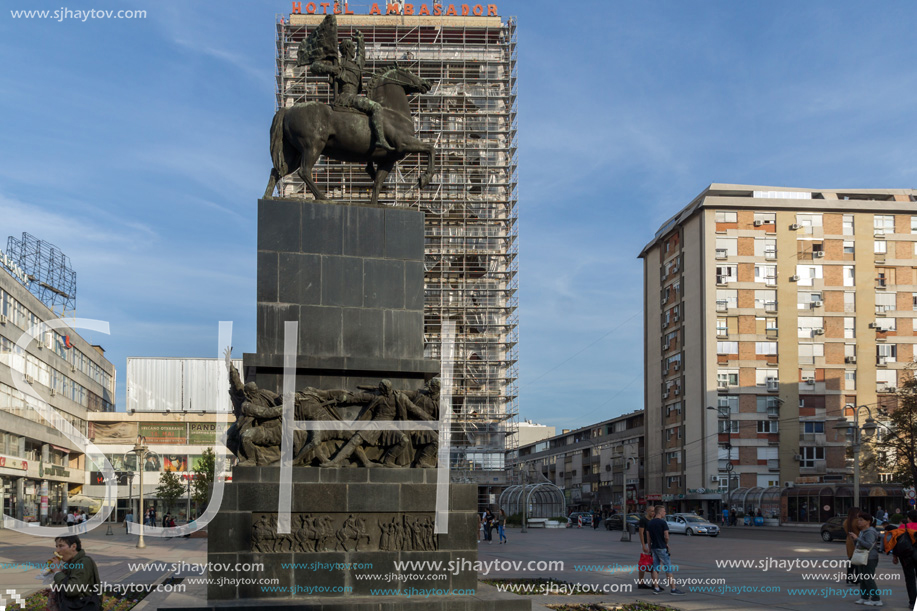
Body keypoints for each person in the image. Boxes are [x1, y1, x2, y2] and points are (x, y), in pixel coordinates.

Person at [49, 535, 101, 611]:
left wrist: (57, 571)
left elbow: (71, 590)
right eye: (56, 546)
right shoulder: (71, 563)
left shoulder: (83, 562)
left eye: (61, 546)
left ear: (73, 546)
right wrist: (56, 590)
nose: (57, 551)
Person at [646, 506, 685, 596]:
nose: (665, 513)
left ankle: (656, 588)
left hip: (654, 547)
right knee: (668, 567)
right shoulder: (663, 523)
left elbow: (648, 538)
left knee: (655, 568)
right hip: (662, 547)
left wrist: (649, 548)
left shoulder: (650, 523)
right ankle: (673, 589)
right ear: (659, 512)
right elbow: (666, 536)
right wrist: (666, 543)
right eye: (664, 511)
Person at [848, 511, 882, 606]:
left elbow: (868, 545)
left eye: (861, 520)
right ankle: (864, 597)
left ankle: (876, 599)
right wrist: (854, 539)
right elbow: (860, 544)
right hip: (862, 557)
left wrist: (857, 538)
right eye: (858, 520)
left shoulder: (870, 532)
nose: (859, 522)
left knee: (868, 578)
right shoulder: (862, 532)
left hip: (870, 557)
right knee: (862, 578)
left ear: (868, 522)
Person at [890, 509, 917, 609]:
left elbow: (896, 542)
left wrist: (895, 556)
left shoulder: (903, 527)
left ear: (909, 519)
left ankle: (913, 602)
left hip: (906, 556)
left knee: (910, 579)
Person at [637, 505, 656, 589]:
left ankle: (654, 583)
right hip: (646, 543)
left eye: (654, 511)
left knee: (654, 563)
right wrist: (643, 545)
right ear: (647, 511)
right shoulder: (643, 520)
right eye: (651, 511)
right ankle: (641, 582)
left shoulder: (654, 520)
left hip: (653, 543)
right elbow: (641, 533)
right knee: (644, 562)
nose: (653, 513)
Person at [844, 506, 862, 586]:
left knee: (851, 559)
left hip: (849, 541)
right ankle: (858, 578)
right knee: (858, 561)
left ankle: (849, 576)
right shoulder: (857, 521)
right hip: (857, 540)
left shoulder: (846, 521)